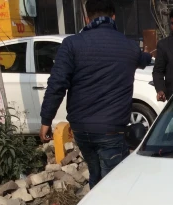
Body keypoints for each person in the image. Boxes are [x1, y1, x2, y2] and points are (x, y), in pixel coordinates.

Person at [39, 0, 151, 188]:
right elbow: (142, 59)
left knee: (95, 175)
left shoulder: (71, 44)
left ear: (86, 17)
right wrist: (147, 55)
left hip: (82, 128)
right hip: (112, 129)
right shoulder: (129, 46)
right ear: (114, 16)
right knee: (113, 184)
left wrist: (46, 120)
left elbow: (57, 84)